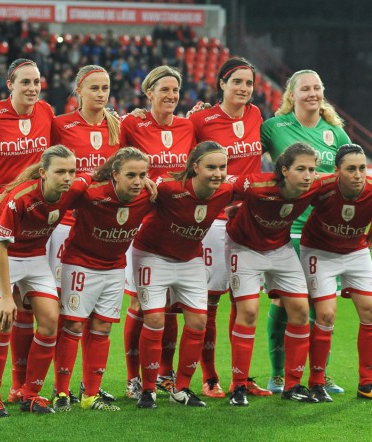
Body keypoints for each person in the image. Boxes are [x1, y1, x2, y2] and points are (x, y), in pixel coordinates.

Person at [0, 145, 90, 417]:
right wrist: (5, 297)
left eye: (71, 172)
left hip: (34, 254)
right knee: (3, 319)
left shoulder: (72, 189)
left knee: (50, 321)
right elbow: (0, 247)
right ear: (42, 173)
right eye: (60, 171)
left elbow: (98, 174)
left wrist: (143, 179)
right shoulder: (20, 199)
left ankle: (30, 393)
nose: (67, 177)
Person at [260, 69, 350, 394]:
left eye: (317, 88)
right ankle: (279, 374)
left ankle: (318, 375)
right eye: (305, 89)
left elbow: (349, 176)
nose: (312, 93)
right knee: (286, 303)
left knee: (321, 304)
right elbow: (239, 147)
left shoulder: (336, 133)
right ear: (291, 95)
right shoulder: (274, 127)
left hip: (326, 232)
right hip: (287, 229)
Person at [0, 58, 54, 403]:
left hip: (32, 217)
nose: (32, 88)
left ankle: (20, 384)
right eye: (25, 82)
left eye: (36, 82)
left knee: (25, 306)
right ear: (10, 84)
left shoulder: (47, 112)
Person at [188, 57, 270, 398]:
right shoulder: (200, 119)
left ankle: (242, 377)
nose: (244, 89)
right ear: (221, 83)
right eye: (237, 81)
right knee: (211, 300)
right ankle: (209, 377)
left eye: (249, 83)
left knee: (244, 300)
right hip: (214, 220)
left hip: (248, 220)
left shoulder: (255, 115)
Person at [133, 141, 233, 409]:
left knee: (199, 323)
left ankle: (183, 388)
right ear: (195, 167)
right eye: (211, 167)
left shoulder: (226, 191)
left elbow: (259, 188)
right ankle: (148, 389)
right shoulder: (168, 189)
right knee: (154, 318)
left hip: (190, 259)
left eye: (222, 167)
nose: (217, 173)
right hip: (152, 254)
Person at [53, 147, 153, 412]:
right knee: (73, 326)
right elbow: (58, 198)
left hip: (114, 267)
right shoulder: (92, 194)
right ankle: (61, 392)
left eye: (142, 175)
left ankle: (91, 394)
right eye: (131, 175)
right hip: (81, 264)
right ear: (115, 174)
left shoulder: (148, 195)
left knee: (102, 328)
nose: (137, 181)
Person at [119, 65, 196, 399]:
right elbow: (116, 163)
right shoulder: (131, 123)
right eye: (164, 89)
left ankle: (165, 374)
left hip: (178, 223)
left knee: (172, 303)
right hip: (142, 222)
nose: (171, 96)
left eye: (175, 90)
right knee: (140, 303)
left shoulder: (188, 125)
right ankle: (133, 377)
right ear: (148, 92)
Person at [225, 142, 321, 405]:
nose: (308, 175)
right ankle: (238, 386)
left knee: (300, 311)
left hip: (280, 248)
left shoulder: (315, 186)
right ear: (284, 170)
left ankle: (293, 386)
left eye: (312, 169)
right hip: (243, 248)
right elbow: (222, 183)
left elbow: (342, 182)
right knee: (249, 312)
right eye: (300, 169)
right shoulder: (256, 185)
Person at [48, 64, 121, 402]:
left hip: (106, 230)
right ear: (78, 90)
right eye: (94, 87)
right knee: (69, 314)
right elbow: (40, 164)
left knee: (99, 315)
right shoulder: (60, 126)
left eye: (105, 87)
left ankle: (90, 387)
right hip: (66, 230)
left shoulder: (119, 128)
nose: (101, 93)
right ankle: (59, 388)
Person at [301, 144, 372, 402]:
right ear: (337, 170)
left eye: (362, 168)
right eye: (351, 169)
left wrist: (369, 240)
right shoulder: (322, 187)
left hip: (356, 250)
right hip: (319, 251)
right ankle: (316, 382)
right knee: (326, 315)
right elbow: (294, 203)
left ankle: (367, 384)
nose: (358, 174)